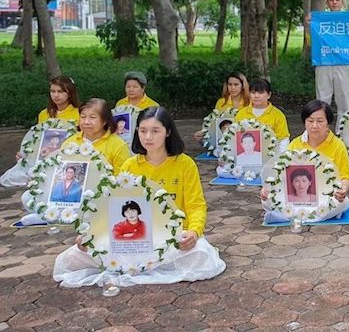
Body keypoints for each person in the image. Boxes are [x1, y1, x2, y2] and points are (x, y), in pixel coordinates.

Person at [54, 107, 225, 287]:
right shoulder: (130, 165)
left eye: (155, 131)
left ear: (167, 132)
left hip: (172, 236)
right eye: (143, 131)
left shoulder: (184, 164)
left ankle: (146, 266)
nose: (148, 137)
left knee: (202, 254)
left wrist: (194, 232)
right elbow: (112, 206)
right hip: (134, 238)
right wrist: (91, 234)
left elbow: (196, 205)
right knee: (72, 257)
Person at [261, 100, 349, 222]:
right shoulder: (295, 144)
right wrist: (267, 189)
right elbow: (282, 174)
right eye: (310, 121)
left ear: (328, 123)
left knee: (343, 202)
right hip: (297, 197)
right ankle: (316, 216)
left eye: (320, 121)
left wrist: (343, 190)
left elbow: (345, 175)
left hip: (324, 196)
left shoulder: (338, 145)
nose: (314, 126)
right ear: (304, 122)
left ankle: (286, 217)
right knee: (266, 199)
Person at [312, 0, 349, 118]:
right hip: (324, 62)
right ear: (327, 3)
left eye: (337, 0)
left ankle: (343, 133)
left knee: (344, 100)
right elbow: (310, 39)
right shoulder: (319, 20)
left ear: (342, 2)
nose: (334, 2)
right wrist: (309, 22)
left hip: (343, 62)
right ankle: (322, 131)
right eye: (331, 0)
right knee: (322, 101)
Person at [61, 99, 131, 173]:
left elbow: (120, 178)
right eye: (83, 117)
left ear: (104, 121)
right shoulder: (69, 143)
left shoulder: (119, 146)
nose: (86, 122)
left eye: (92, 117)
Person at [194, 73, 250, 142]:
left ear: (243, 86)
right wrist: (203, 132)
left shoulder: (250, 102)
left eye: (236, 84)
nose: (232, 88)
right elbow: (215, 123)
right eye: (230, 84)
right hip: (225, 139)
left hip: (245, 138)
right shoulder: (221, 102)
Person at [234, 79, 290, 144]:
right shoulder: (241, 114)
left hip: (272, 153)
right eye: (253, 92)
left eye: (261, 92)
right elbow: (235, 137)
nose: (256, 96)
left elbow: (283, 140)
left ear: (269, 95)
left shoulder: (278, 115)